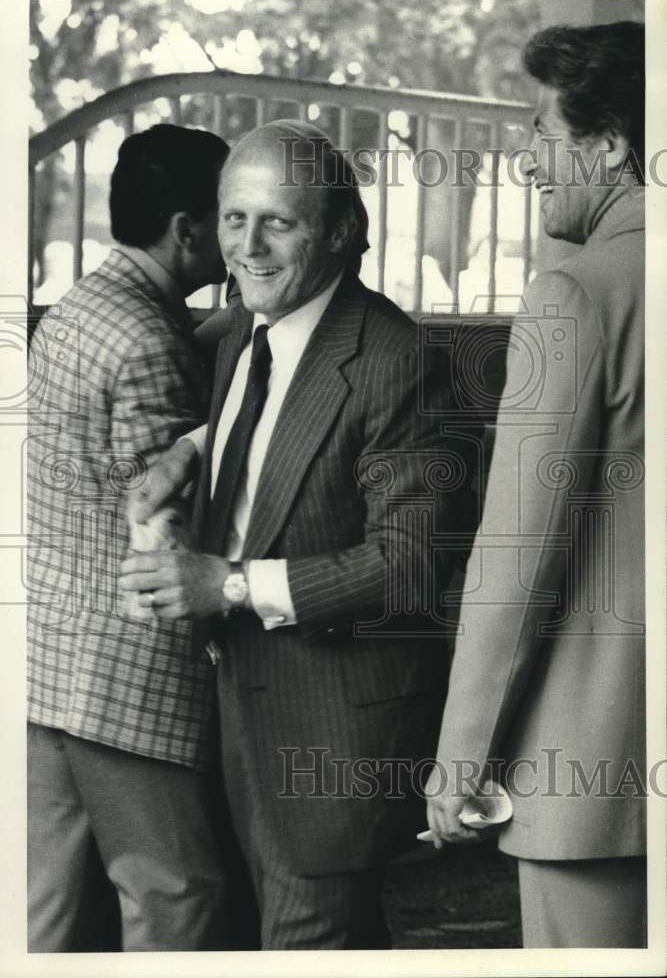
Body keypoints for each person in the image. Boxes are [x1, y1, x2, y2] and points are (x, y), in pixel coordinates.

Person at [119, 119, 473, 949]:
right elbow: (281, 426)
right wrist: (188, 450)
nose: (247, 246)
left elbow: (410, 563)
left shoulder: (397, 360)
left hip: (330, 742)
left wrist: (227, 584)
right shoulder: (247, 324)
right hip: (237, 717)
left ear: (342, 231)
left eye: (277, 222)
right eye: (233, 219)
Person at [425, 22, 646, 948]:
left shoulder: (576, 294)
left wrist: (459, 762)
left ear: (610, 145)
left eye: (541, 132)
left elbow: (517, 555)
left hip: (595, 778)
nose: (527, 160)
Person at [27, 123, 233, 951]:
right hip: (126, 680)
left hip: (47, 663)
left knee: (41, 914)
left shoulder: (83, 307)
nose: (243, 234)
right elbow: (161, 528)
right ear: (187, 230)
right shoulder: (151, 342)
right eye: (229, 215)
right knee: (176, 899)